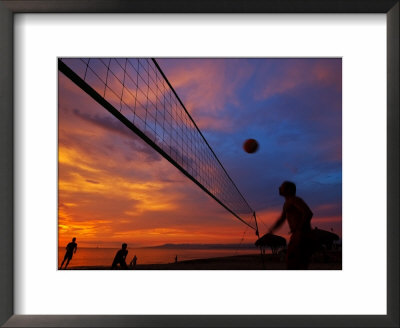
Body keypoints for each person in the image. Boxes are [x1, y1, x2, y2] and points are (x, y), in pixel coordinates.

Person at [268, 181, 313, 269]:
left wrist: (298, 229)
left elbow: (308, 213)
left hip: (302, 235)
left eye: (282, 186)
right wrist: (271, 230)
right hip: (297, 235)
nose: (279, 188)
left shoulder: (295, 200)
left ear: (288, 190)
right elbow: (281, 219)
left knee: (296, 263)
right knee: (293, 263)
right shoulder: (286, 203)